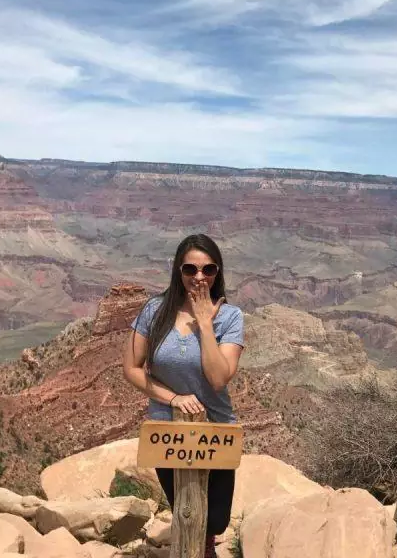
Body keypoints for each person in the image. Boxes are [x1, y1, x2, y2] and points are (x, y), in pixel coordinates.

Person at [123, 233, 244, 558]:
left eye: (208, 269)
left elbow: (218, 378)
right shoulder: (154, 311)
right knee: (186, 511)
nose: (199, 277)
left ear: (218, 272)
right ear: (178, 270)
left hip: (215, 430)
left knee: (214, 520)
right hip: (168, 431)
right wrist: (173, 398)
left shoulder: (231, 318)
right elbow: (132, 369)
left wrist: (205, 324)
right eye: (190, 269)